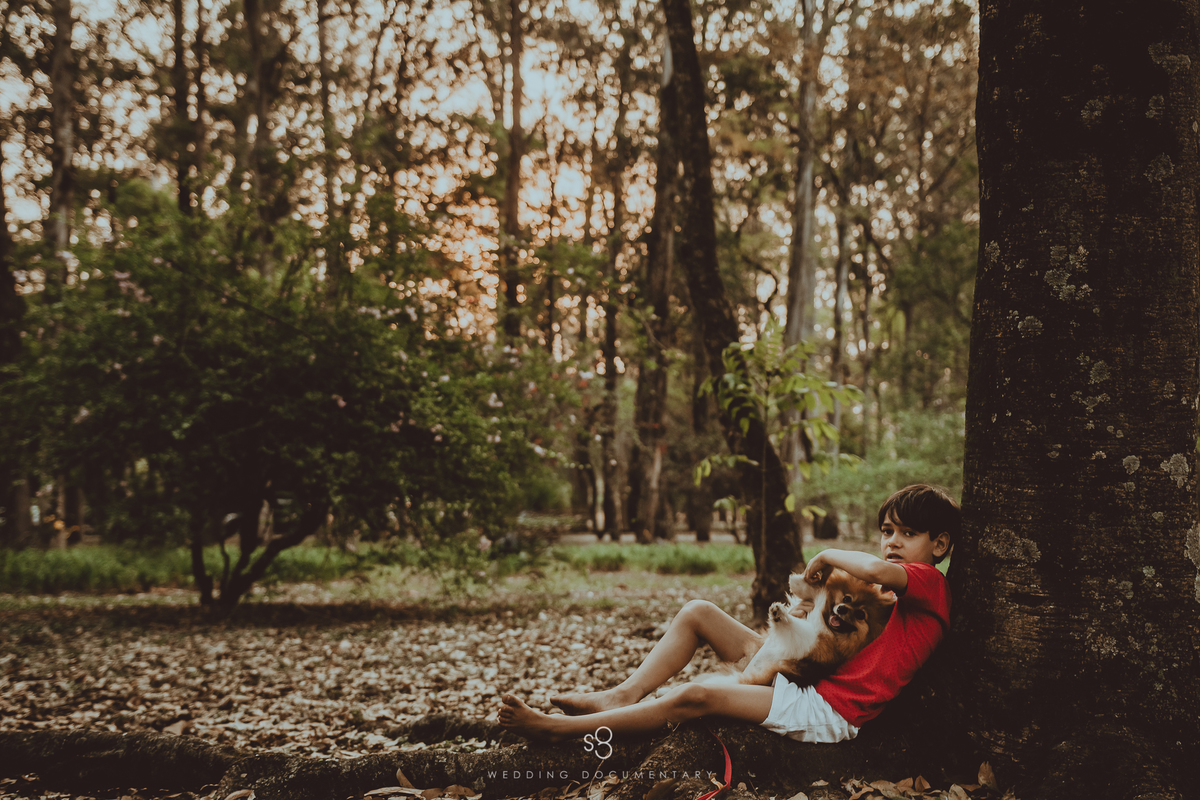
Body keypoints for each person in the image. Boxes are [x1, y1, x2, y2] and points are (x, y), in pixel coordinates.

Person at [498, 484, 958, 743]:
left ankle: (560, 730)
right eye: (886, 531)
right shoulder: (888, 592)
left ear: (939, 545)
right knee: (699, 611)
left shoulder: (931, 585)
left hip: (827, 709)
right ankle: (621, 695)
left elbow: (875, 568)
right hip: (801, 670)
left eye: (908, 533)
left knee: (698, 696)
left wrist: (828, 553)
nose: (892, 542)